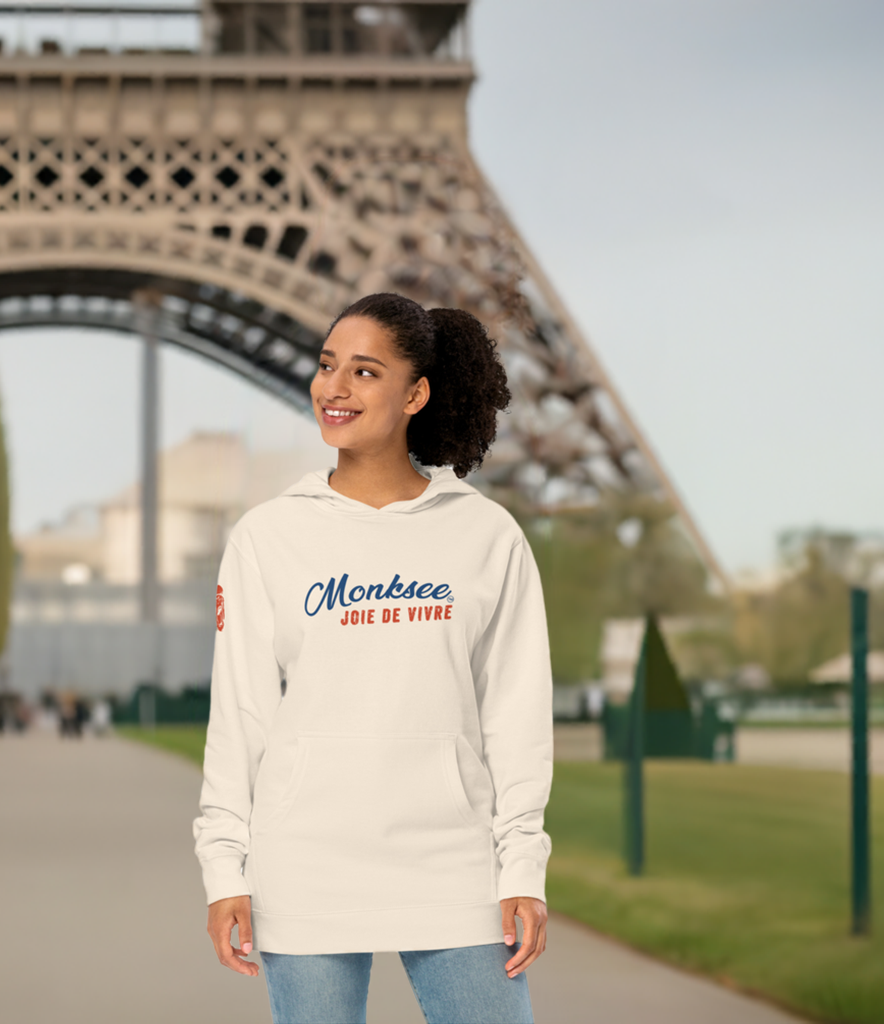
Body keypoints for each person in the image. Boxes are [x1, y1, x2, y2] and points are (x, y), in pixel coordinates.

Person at [193, 293, 554, 1024]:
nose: (334, 387)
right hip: (306, 864)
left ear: (415, 394)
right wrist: (224, 867)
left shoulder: (487, 535)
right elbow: (241, 714)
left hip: (453, 864)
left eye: (364, 372)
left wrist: (522, 863)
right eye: (327, 366)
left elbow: (516, 712)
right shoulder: (267, 536)